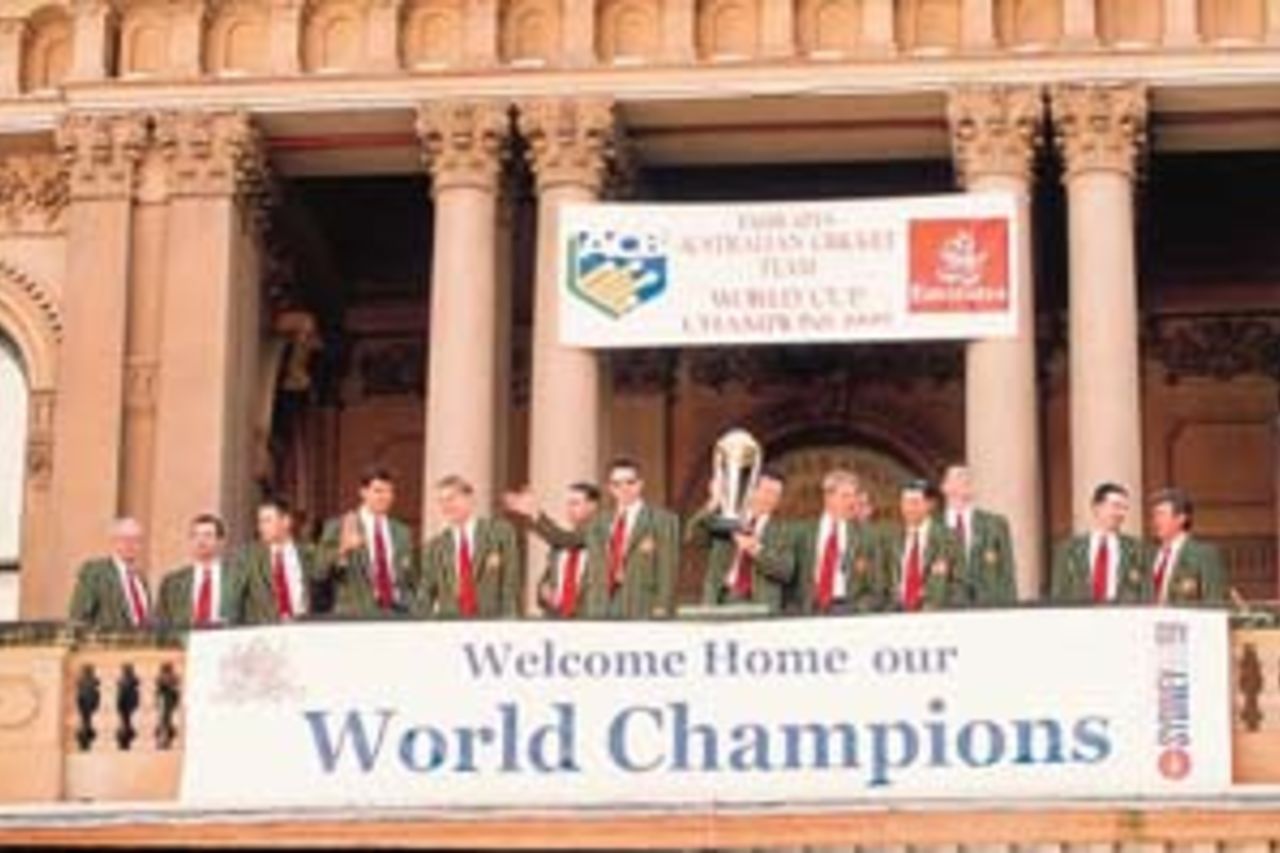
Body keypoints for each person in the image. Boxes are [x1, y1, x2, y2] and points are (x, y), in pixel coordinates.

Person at [506, 457, 681, 619]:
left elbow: (667, 570)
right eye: (617, 484)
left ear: (641, 484)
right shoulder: (600, 521)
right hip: (601, 609)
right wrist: (535, 514)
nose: (624, 489)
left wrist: (662, 609)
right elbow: (564, 539)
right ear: (609, 488)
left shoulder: (662, 521)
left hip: (641, 607)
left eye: (630, 482)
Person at [686, 469, 794, 613]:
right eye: (767, 491)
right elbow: (693, 535)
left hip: (760, 604)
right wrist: (713, 502)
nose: (770, 498)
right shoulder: (728, 519)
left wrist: (755, 549)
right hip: (722, 599)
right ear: (752, 491)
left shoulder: (784, 530)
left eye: (776, 495)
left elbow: (785, 571)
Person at [316, 466, 420, 616]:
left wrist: (414, 608)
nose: (385, 497)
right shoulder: (340, 526)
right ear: (363, 492)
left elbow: (411, 578)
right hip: (355, 615)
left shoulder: (402, 532)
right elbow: (318, 570)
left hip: (398, 614)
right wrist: (343, 549)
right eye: (378, 491)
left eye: (390, 491)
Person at [420, 475, 522, 618]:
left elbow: (510, 586)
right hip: (450, 628)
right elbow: (425, 594)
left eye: (451, 499)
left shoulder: (500, 534)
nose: (446, 506)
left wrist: (509, 624)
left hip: (491, 627)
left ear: (469, 498)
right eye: (441, 501)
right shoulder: (435, 547)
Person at [790, 469, 878, 614]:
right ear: (828, 497)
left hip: (847, 610)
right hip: (807, 610)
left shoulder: (864, 536)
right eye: (845, 496)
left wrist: (857, 609)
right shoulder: (802, 532)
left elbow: (875, 586)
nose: (852, 502)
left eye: (854, 496)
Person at [507, 482, 599, 619]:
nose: (569, 509)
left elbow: (566, 539)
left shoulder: (600, 533)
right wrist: (544, 592)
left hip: (588, 623)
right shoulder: (558, 545)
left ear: (592, 506)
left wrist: (535, 513)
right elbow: (546, 581)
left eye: (575, 503)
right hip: (555, 620)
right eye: (568, 504)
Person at [873, 479, 963, 611]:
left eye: (915, 502)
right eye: (904, 502)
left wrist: (938, 604)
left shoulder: (948, 538)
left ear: (929, 504)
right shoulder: (888, 539)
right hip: (895, 616)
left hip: (934, 615)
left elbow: (959, 583)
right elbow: (880, 581)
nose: (909, 508)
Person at [1050, 482, 1147, 604]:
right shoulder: (1068, 550)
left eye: (1125, 508)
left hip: (1122, 619)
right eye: (1116, 506)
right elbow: (1058, 595)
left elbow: (1146, 595)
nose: (1121, 513)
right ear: (1097, 507)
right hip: (1080, 619)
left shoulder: (1138, 550)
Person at [940, 464, 1017, 605]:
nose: (963, 480)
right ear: (944, 487)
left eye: (968, 478)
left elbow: (1007, 575)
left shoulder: (995, 524)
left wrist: (1010, 610)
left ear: (973, 489)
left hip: (988, 608)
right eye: (957, 477)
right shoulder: (932, 526)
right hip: (945, 610)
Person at [156, 514, 249, 628]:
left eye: (208, 535)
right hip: (185, 643)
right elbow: (161, 624)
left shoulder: (239, 579)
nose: (201, 540)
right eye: (195, 535)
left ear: (220, 541)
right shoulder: (172, 583)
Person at [240, 498, 319, 623]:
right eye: (260, 522)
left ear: (286, 522)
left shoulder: (308, 554)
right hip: (265, 635)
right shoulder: (248, 557)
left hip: (303, 630)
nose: (261, 527)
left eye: (267, 521)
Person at [67, 517, 153, 631]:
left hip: (140, 646)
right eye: (125, 539)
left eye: (136, 540)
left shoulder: (140, 579)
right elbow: (79, 617)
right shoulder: (96, 573)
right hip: (105, 646)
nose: (130, 545)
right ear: (114, 542)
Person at [1148, 487, 1226, 605]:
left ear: (1181, 518)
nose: (1155, 521)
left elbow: (1214, 601)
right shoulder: (1148, 554)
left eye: (1161, 514)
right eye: (1154, 515)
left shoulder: (1203, 555)